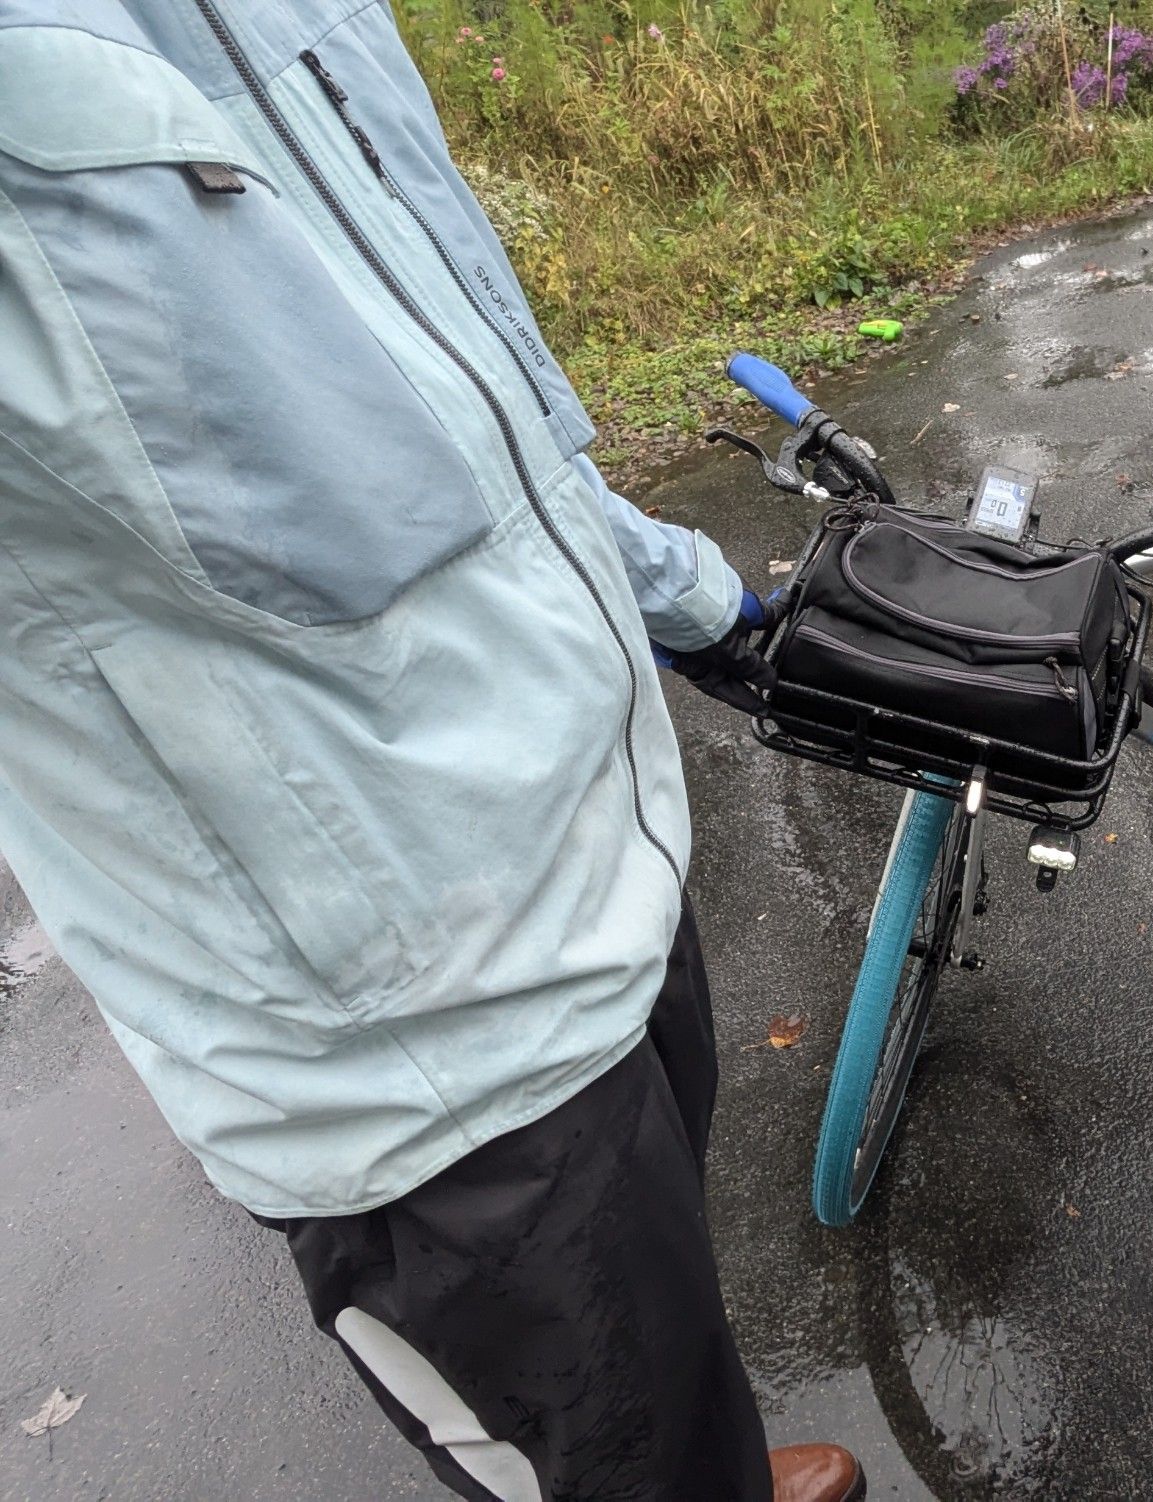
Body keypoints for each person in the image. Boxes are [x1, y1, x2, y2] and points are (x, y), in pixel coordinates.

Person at [0, 2, 856, 1497]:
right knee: (601, 1435)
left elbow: (470, 397)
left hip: (613, 856)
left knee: (664, 1349)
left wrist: (698, 603)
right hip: (419, 1066)